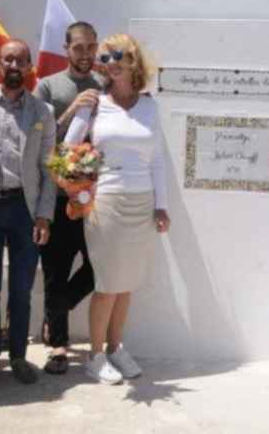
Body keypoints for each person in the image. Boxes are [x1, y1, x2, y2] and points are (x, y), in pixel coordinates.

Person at [64, 34, 170, 385]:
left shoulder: (150, 106)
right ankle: (95, 357)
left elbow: (157, 161)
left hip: (141, 205)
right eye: (106, 57)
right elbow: (68, 149)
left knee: (127, 283)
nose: (112, 62)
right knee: (108, 283)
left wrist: (161, 206)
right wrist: (81, 183)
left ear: (135, 61)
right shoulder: (93, 102)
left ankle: (115, 346)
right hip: (105, 203)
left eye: (119, 55)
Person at [0, 39, 57, 388]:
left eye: (20, 60)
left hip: (25, 209)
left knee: (22, 290)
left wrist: (44, 216)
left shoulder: (43, 113)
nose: (13, 66)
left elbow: (49, 167)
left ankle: (19, 356)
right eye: (7, 59)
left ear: (28, 68)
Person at [33, 21, 102, 375]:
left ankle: (56, 309)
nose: (86, 54)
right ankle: (58, 345)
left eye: (91, 47)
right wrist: (72, 109)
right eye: (79, 47)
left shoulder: (107, 85)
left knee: (98, 268)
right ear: (66, 48)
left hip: (95, 200)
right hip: (58, 197)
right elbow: (39, 138)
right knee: (55, 272)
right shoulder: (48, 86)